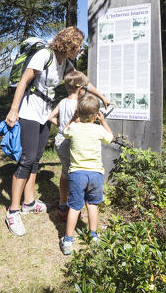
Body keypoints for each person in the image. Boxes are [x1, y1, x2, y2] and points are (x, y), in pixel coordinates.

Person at [4, 26, 109, 236]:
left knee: (36, 159)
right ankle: (13, 211)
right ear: (69, 43)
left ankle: (29, 202)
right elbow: (24, 81)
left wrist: (102, 98)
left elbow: (84, 84)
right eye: (78, 46)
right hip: (29, 110)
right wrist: (13, 110)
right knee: (26, 158)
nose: (80, 50)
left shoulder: (65, 63)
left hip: (44, 112)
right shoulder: (45, 55)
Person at [59, 93, 114, 255]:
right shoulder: (98, 129)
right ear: (96, 115)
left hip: (77, 174)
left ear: (78, 111)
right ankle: (94, 235)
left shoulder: (74, 128)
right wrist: (103, 121)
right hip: (96, 174)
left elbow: (64, 132)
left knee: (75, 207)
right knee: (92, 204)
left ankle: (68, 240)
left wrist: (72, 119)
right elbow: (110, 137)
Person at [47, 70, 90, 221]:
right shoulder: (79, 105)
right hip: (73, 141)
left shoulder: (62, 102)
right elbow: (79, 126)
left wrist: (61, 126)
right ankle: (75, 206)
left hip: (60, 140)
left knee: (65, 172)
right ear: (80, 88)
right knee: (76, 173)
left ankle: (62, 204)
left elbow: (51, 117)